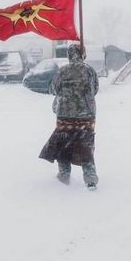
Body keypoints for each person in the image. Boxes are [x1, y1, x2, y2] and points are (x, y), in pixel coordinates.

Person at [38, 43, 100, 190]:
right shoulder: (89, 70)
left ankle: (64, 176)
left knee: (64, 145)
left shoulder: (62, 71)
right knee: (86, 146)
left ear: (69, 55)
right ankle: (90, 179)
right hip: (86, 116)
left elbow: (53, 89)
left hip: (65, 115)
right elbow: (95, 89)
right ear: (82, 54)